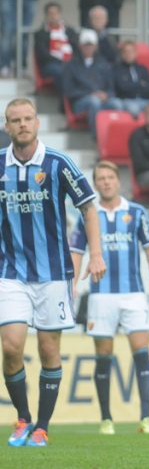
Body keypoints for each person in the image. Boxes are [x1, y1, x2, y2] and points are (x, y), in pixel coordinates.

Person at [1, 98, 105, 448]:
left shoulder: (58, 163)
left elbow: (89, 208)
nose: (22, 125)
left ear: (37, 122)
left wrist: (96, 254)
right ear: (7, 126)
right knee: (11, 345)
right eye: (15, 120)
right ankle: (22, 418)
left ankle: (42, 426)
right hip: (11, 271)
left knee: (48, 349)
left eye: (28, 118)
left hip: (54, 274)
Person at [68, 161, 149, 435]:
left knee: (142, 354)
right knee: (103, 357)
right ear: (95, 184)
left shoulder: (136, 212)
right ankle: (106, 419)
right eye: (101, 178)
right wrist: (71, 285)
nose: (106, 182)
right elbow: (76, 251)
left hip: (133, 294)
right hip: (101, 297)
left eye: (110, 177)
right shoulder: (87, 214)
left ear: (118, 181)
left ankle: (146, 418)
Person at [62, 29, 119, 134]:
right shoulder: (71, 65)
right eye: (85, 45)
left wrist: (106, 95)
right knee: (94, 102)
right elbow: (69, 91)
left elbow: (111, 88)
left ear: (95, 47)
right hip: (80, 102)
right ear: (80, 46)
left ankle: (114, 135)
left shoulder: (104, 63)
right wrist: (92, 94)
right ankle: (97, 135)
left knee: (117, 104)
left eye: (91, 45)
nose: (88, 48)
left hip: (103, 100)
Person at [32, 2, 75, 85]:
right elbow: (42, 54)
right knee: (62, 71)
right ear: (46, 16)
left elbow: (77, 48)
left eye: (56, 13)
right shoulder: (41, 33)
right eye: (50, 13)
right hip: (51, 64)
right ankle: (65, 97)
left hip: (71, 62)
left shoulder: (70, 31)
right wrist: (61, 61)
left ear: (60, 14)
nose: (53, 16)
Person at [113, 42, 149, 116]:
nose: (129, 54)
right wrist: (140, 84)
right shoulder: (117, 70)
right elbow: (122, 88)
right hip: (127, 101)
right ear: (122, 54)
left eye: (131, 51)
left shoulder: (143, 69)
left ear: (136, 53)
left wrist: (132, 85)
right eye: (126, 52)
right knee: (134, 109)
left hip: (145, 100)